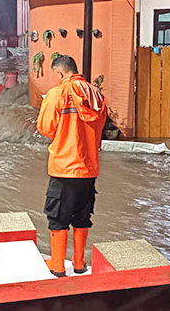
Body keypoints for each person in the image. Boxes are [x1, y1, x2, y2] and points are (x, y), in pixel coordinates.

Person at [36, 55, 107, 277]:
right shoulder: (95, 94)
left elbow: (46, 128)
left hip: (64, 167)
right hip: (89, 168)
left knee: (57, 216)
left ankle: (57, 265)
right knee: (82, 215)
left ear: (59, 73)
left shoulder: (57, 94)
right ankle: (79, 262)